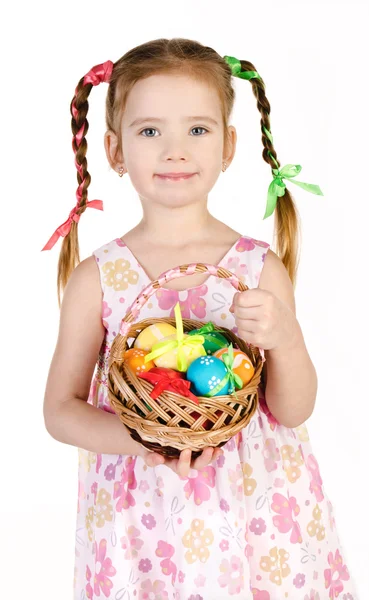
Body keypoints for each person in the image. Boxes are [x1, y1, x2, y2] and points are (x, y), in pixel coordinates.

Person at [42, 38, 357, 600]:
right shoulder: (100, 278)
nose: (174, 150)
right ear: (114, 150)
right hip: (144, 521)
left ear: (229, 144)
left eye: (197, 129)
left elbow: (294, 408)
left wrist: (286, 339)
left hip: (260, 512)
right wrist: (148, 439)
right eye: (149, 131)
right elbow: (60, 412)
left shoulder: (257, 266)